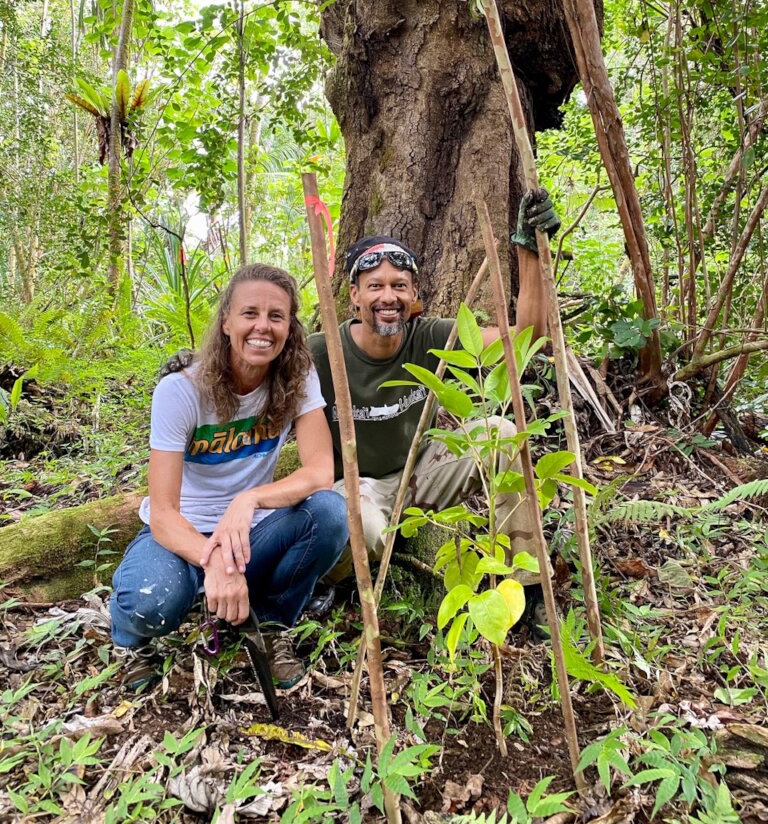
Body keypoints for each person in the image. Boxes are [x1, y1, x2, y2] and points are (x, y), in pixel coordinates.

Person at [306, 190, 560, 628]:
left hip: (419, 472)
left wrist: (531, 250)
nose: (389, 297)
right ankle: (339, 576)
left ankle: (529, 585)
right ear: (354, 295)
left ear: (414, 294)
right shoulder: (320, 349)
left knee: (500, 432)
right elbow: (255, 370)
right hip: (356, 484)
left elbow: (526, 338)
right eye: (376, 286)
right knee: (356, 524)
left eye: (399, 286)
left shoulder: (431, 336)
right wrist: (190, 373)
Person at [110, 263, 349, 691]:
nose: (263, 327)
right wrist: (215, 558)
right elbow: (163, 514)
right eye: (249, 313)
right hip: (183, 535)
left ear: (290, 326)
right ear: (226, 322)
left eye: (276, 316)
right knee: (149, 603)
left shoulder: (297, 377)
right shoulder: (181, 390)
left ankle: (272, 624)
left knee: (329, 513)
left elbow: (319, 472)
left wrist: (249, 500)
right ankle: (136, 645)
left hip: (253, 535)